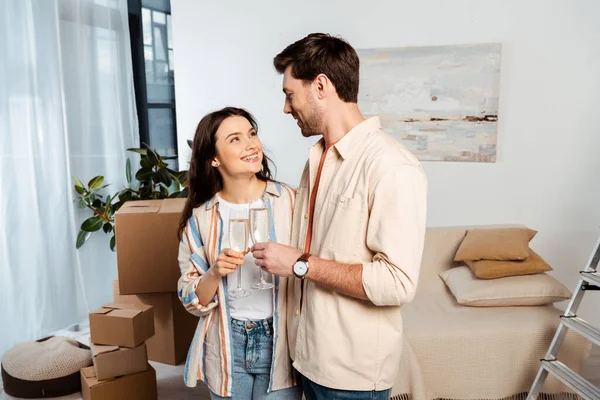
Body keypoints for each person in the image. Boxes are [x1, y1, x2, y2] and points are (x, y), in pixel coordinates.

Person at [251, 33, 428, 400]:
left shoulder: (391, 166)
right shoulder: (316, 160)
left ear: (320, 86)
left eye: (289, 94)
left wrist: (300, 264)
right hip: (307, 359)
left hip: (351, 378)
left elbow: (397, 282)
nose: (286, 108)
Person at [177, 107, 301, 400]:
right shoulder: (200, 219)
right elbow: (189, 297)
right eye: (235, 139)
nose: (251, 144)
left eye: (252, 134)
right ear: (214, 158)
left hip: (281, 342)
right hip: (226, 344)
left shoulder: (291, 202)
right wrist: (214, 272)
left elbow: (312, 264)